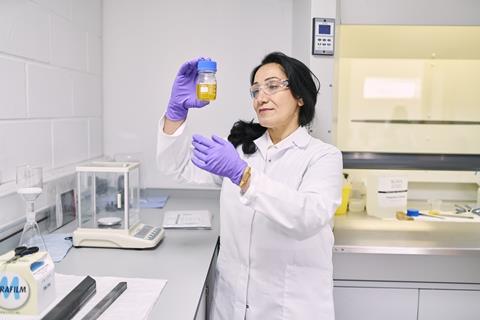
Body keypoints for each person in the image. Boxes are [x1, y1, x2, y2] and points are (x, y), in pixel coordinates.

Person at [157, 52, 343, 320]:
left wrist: (244, 176)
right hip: (230, 305)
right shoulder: (240, 149)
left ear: (300, 97)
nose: (261, 97)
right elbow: (176, 166)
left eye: (273, 86)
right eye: (255, 90)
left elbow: (308, 216)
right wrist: (176, 113)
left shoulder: (322, 156)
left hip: (290, 309)